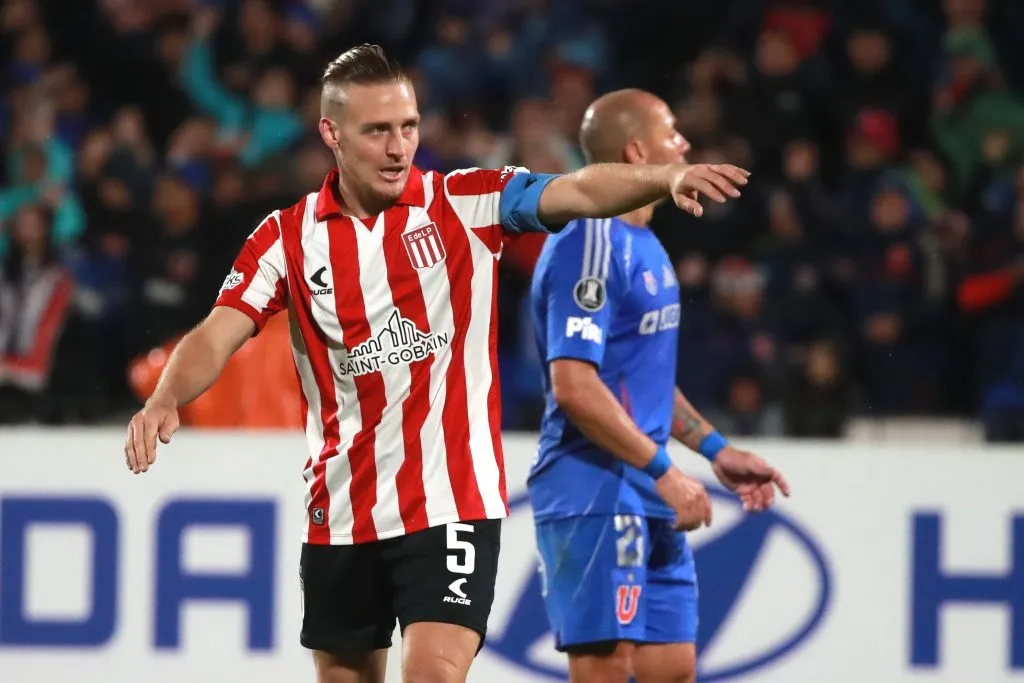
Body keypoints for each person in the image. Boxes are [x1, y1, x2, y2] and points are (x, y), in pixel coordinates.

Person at [121, 45, 750, 683]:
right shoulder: (287, 237)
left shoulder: (465, 202)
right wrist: (165, 397)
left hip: (452, 504)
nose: (399, 147)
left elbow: (577, 189)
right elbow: (218, 332)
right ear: (331, 134)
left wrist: (663, 179)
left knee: (432, 675)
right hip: (341, 511)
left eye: (409, 127)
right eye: (378, 131)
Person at [527, 88, 791, 683]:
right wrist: (666, 473)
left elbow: (639, 384)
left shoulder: (645, 244)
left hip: (645, 486)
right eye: (672, 132)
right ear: (637, 149)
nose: (685, 144)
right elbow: (574, 385)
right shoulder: (587, 238)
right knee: (608, 669)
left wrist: (718, 452)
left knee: (673, 670)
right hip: (594, 489)